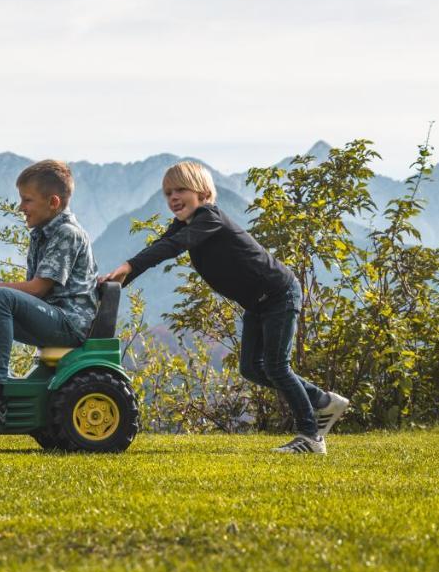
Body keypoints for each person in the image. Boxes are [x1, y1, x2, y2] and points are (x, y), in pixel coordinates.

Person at [101, 161, 350, 454]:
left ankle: (311, 437)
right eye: (168, 193)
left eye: (181, 189)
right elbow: (162, 245)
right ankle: (323, 401)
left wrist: (128, 266)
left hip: (279, 294)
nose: (173, 198)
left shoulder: (209, 217)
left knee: (276, 366)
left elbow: (172, 247)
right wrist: (120, 280)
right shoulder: (186, 224)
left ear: (204, 192)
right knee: (251, 369)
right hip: (258, 303)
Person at [0, 160, 98, 420]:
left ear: (53, 203)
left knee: (0, 296)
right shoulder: (42, 233)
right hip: (51, 317)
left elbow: (37, 289)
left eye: (27, 200)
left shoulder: (67, 233)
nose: (21, 208)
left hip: (68, 324)